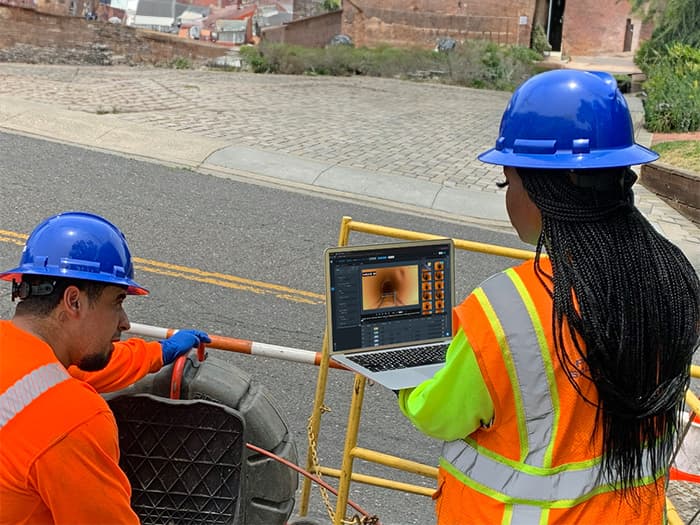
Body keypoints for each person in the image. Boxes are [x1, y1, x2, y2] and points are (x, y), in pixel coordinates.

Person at [398, 70, 700, 524]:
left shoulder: (505, 312)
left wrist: (402, 366)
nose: (508, 197)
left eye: (508, 182)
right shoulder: (668, 279)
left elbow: (436, 412)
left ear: (546, 189)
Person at [0, 211, 211, 524]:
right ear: (73, 302)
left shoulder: (26, 369)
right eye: (118, 301)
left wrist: (159, 353)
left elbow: (85, 371)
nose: (125, 322)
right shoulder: (72, 419)